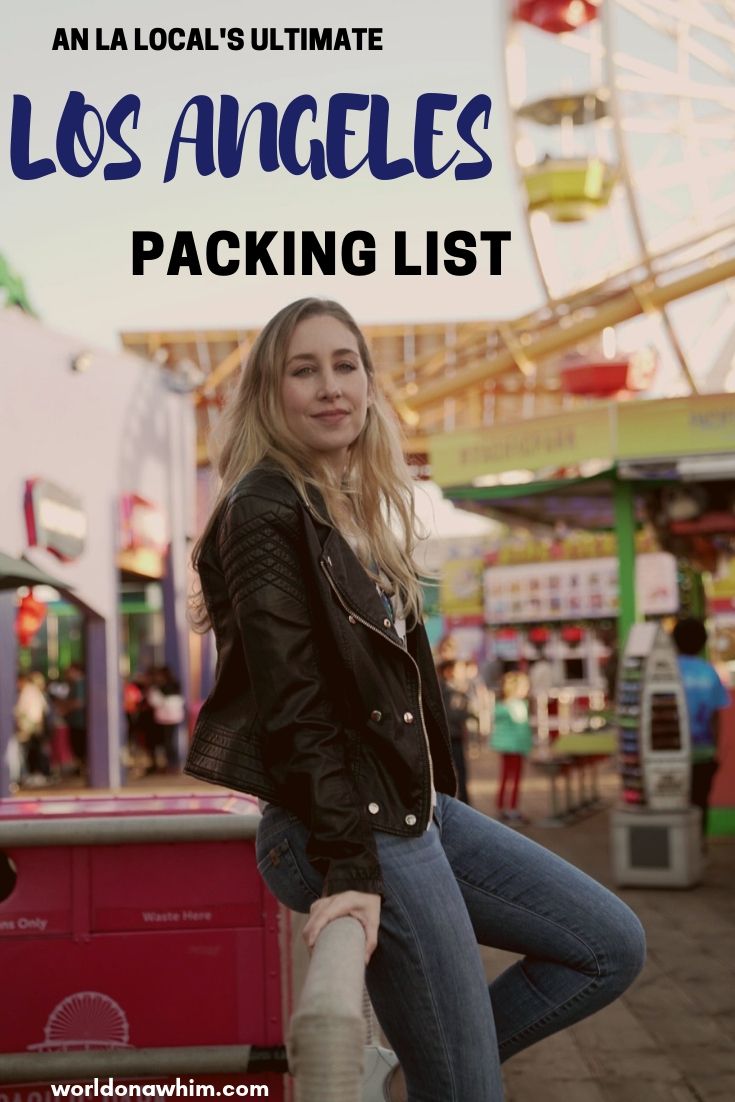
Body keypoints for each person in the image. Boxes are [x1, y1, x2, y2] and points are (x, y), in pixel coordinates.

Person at [184, 298, 646, 1102]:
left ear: (368, 383)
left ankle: (431, 1063)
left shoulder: (356, 509)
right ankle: (447, 1069)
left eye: (345, 364)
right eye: (303, 370)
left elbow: (413, 703)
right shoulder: (263, 509)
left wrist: (446, 813)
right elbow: (295, 709)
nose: (330, 388)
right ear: (269, 393)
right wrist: (351, 868)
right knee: (470, 1090)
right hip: (347, 825)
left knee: (609, 943)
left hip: (414, 813)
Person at [673, 617, 731, 845]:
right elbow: (716, 717)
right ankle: (698, 848)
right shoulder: (709, 673)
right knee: (700, 803)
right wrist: (715, 749)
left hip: (671, 752)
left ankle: (678, 850)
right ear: (703, 642)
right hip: (703, 751)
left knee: (674, 804)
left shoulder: (667, 672)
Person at [490, 672, 534, 825]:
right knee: (515, 778)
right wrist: (528, 746)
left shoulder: (502, 704)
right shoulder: (518, 706)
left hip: (504, 747)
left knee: (504, 777)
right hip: (516, 747)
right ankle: (513, 808)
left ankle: (501, 806)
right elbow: (522, 729)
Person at [437, 658, 472, 804]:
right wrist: (468, 711)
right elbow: (454, 714)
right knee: (458, 771)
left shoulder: (448, 689)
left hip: (451, 735)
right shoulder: (451, 692)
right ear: (449, 671)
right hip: (451, 736)